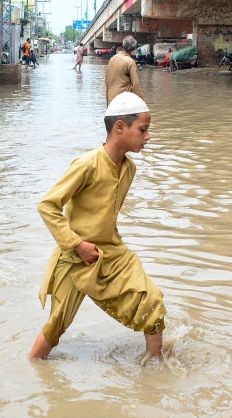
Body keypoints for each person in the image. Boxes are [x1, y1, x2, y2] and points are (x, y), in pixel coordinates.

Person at [29, 91, 166, 360]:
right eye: (143, 129)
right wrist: (77, 245)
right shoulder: (87, 164)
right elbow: (48, 205)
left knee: (152, 302)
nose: (147, 136)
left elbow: (108, 215)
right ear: (119, 128)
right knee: (56, 326)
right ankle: (32, 371)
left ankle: (155, 370)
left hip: (111, 251)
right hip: (77, 255)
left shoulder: (129, 169)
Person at [105, 35, 143, 105]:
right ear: (134, 48)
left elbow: (107, 81)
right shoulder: (130, 62)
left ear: (122, 45)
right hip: (123, 104)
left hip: (111, 102)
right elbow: (136, 86)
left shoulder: (112, 59)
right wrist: (141, 103)